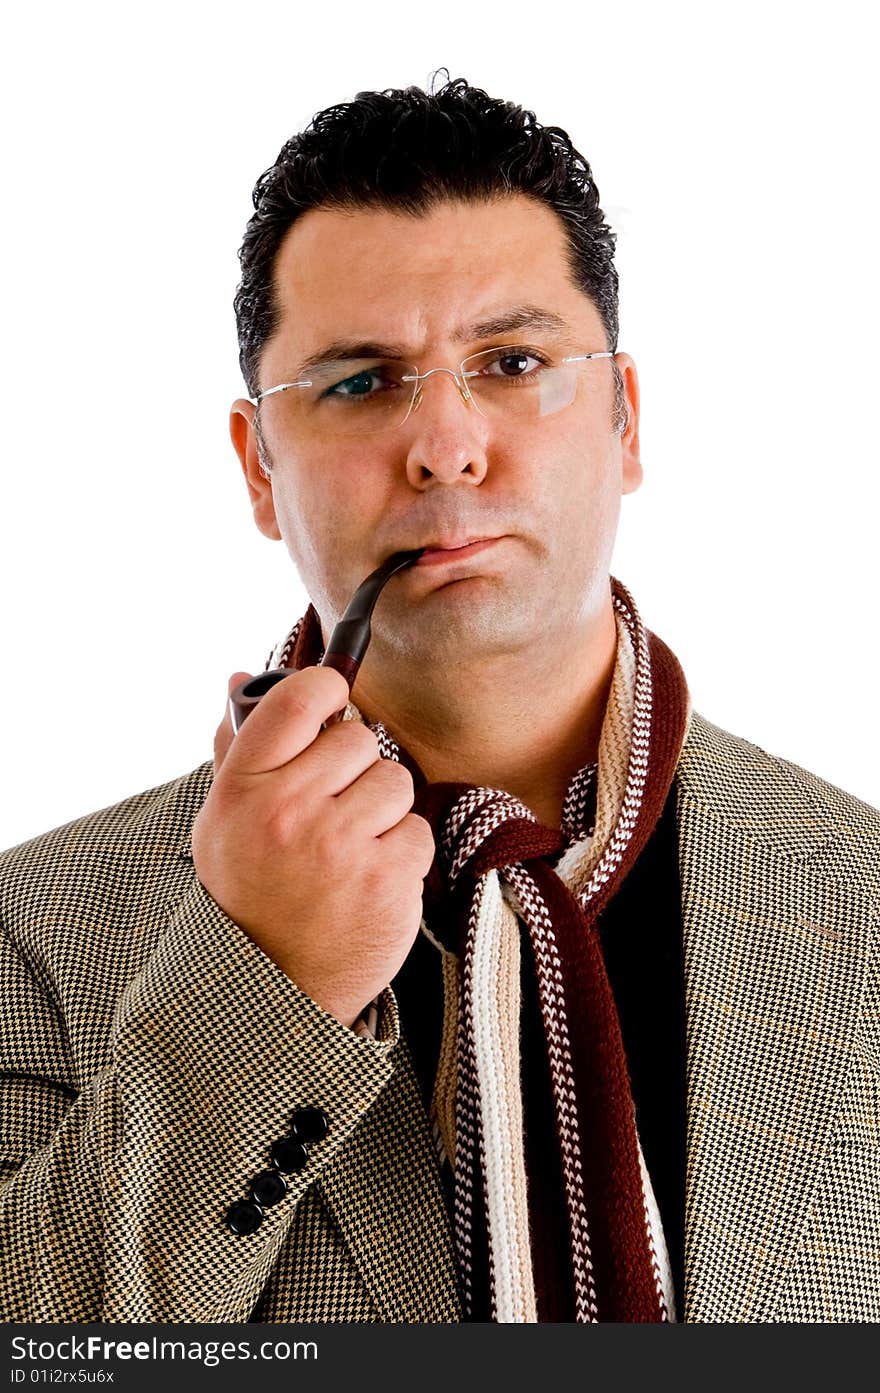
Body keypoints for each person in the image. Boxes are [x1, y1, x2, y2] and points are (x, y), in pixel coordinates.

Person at [1, 77, 877, 1327]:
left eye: (512, 363)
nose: (446, 448)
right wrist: (260, 986)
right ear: (259, 469)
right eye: (361, 382)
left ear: (623, 420)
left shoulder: (865, 899)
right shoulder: (29, 934)